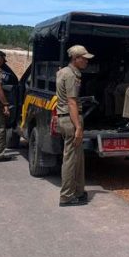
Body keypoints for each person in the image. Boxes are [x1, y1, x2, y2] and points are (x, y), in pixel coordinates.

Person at [57, 44, 94, 207]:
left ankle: (78, 192)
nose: (86, 61)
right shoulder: (71, 76)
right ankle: (66, 196)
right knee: (71, 159)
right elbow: (72, 102)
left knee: (77, 158)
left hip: (66, 118)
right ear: (75, 58)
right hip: (71, 120)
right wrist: (78, 126)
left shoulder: (63, 71)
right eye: (84, 58)